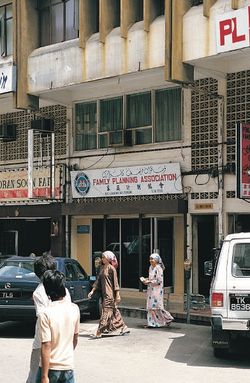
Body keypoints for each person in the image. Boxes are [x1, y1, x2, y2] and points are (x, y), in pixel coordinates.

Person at [26, 255, 71, 383]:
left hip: (43, 341)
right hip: (62, 340)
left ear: (37, 273)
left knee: (36, 375)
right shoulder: (64, 290)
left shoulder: (38, 292)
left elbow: (42, 319)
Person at [36, 270, 80, 383]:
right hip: (68, 367)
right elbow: (75, 339)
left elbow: (46, 345)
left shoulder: (45, 313)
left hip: (50, 368)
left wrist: (44, 376)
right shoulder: (74, 308)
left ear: (47, 290)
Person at [88, 250, 129, 338]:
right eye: (102, 257)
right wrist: (92, 291)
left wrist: (117, 294)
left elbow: (115, 282)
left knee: (106, 312)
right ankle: (123, 327)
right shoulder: (102, 268)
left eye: (104, 257)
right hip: (104, 294)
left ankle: (99, 331)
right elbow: (98, 281)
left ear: (108, 258)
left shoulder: (111, 268)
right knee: (114, 312)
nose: (102, 259)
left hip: (110, 295)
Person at [140, 253, 173, 328]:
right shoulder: (151, 267)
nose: (150, 260)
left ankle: (167, 318)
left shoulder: (158, 268)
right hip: (151, 289)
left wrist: (149, 282)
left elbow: (159, 280)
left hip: (157, 290)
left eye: (152, 259)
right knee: (150, 306)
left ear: (157, 260)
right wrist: (146, 280)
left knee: (157, 306)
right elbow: (151, 278)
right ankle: (152, 323)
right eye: (150, 259)